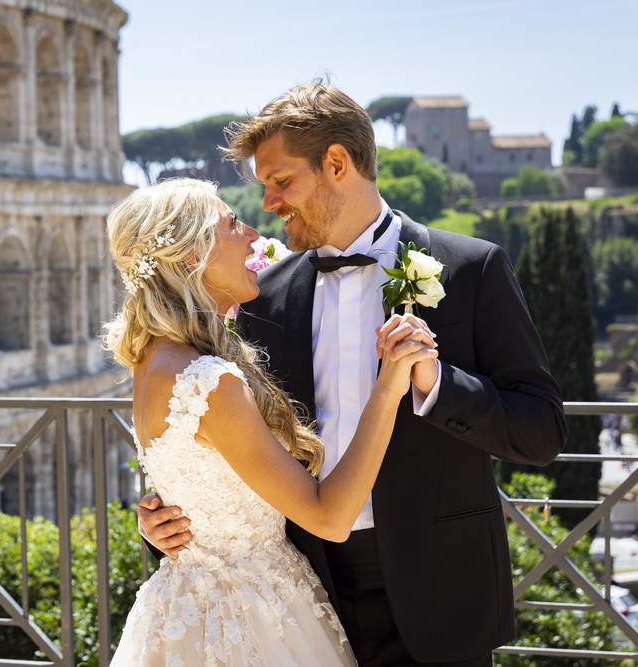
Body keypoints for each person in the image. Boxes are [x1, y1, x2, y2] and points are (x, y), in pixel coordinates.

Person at [139, 83, 568, 666]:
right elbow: (219, 428)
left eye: (281, 181)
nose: (269, 204)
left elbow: (540, 431)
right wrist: (166, 513)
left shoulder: (472, 269)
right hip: (300, 597)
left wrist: (436, 385)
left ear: (336, 163)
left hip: (439, 593)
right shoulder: (261, 296)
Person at [104, 178, 439, 666]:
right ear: (194, 255)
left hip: (183, 608)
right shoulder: (208, 382)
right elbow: (329, 517)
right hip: (253, 620)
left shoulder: (151, 360)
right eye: (232, 224)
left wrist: (158, 516)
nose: (252, 234)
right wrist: (389, 387)